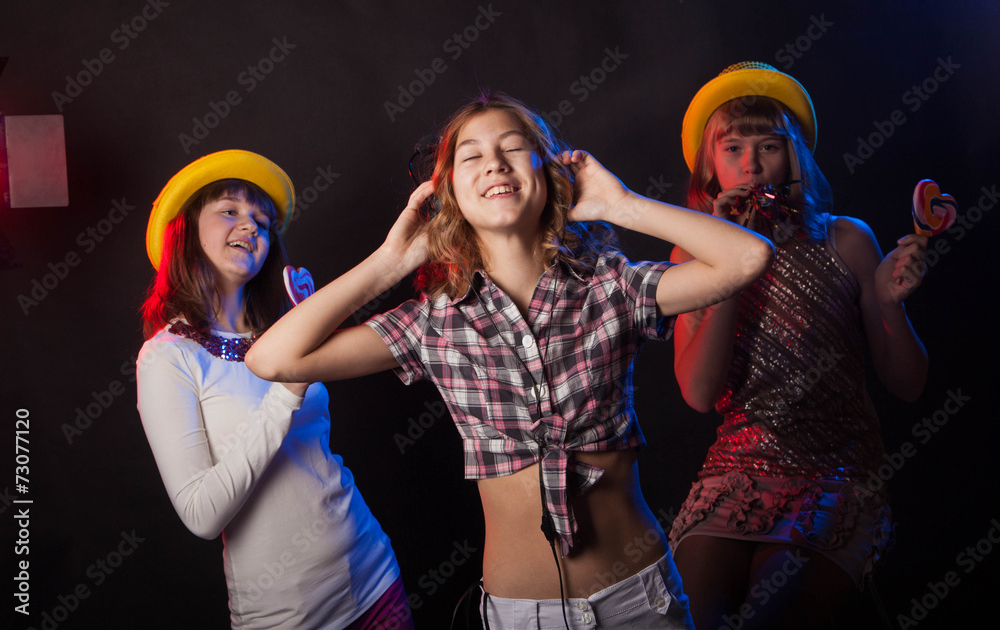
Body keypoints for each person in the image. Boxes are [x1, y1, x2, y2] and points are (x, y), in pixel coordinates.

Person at [246, 92, 774, 629]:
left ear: (550, 175)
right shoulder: (431, 324)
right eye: (471, 156)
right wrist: (393, 261)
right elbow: (273, 359)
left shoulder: (612, 287)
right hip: (523, 615)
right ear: (447, 190)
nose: (495, 162)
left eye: (514, 148)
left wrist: (622, 205)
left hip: (638, 600)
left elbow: (749, 256)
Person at [667, 63, 929, 629]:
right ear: (709, 166)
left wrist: (889, 303)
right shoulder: (690, 256)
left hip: (836, 474)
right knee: (686, 618)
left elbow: (909, 385)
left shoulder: (846, 238)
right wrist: (729, 261)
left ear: (796, 158)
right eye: (732, 147)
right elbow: (699, 393)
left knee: (772, 617)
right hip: (733, 472)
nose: (751, 163)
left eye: (769, 145)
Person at [137, 150, 413, 630]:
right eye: (230, 211)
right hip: (289, 616)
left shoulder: (281, 330)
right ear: (185, 229)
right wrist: (288, 388)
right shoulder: (166, 357)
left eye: (261, 221)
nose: (251, 227)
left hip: (373, 576)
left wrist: (309, 327)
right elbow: (202, 514)